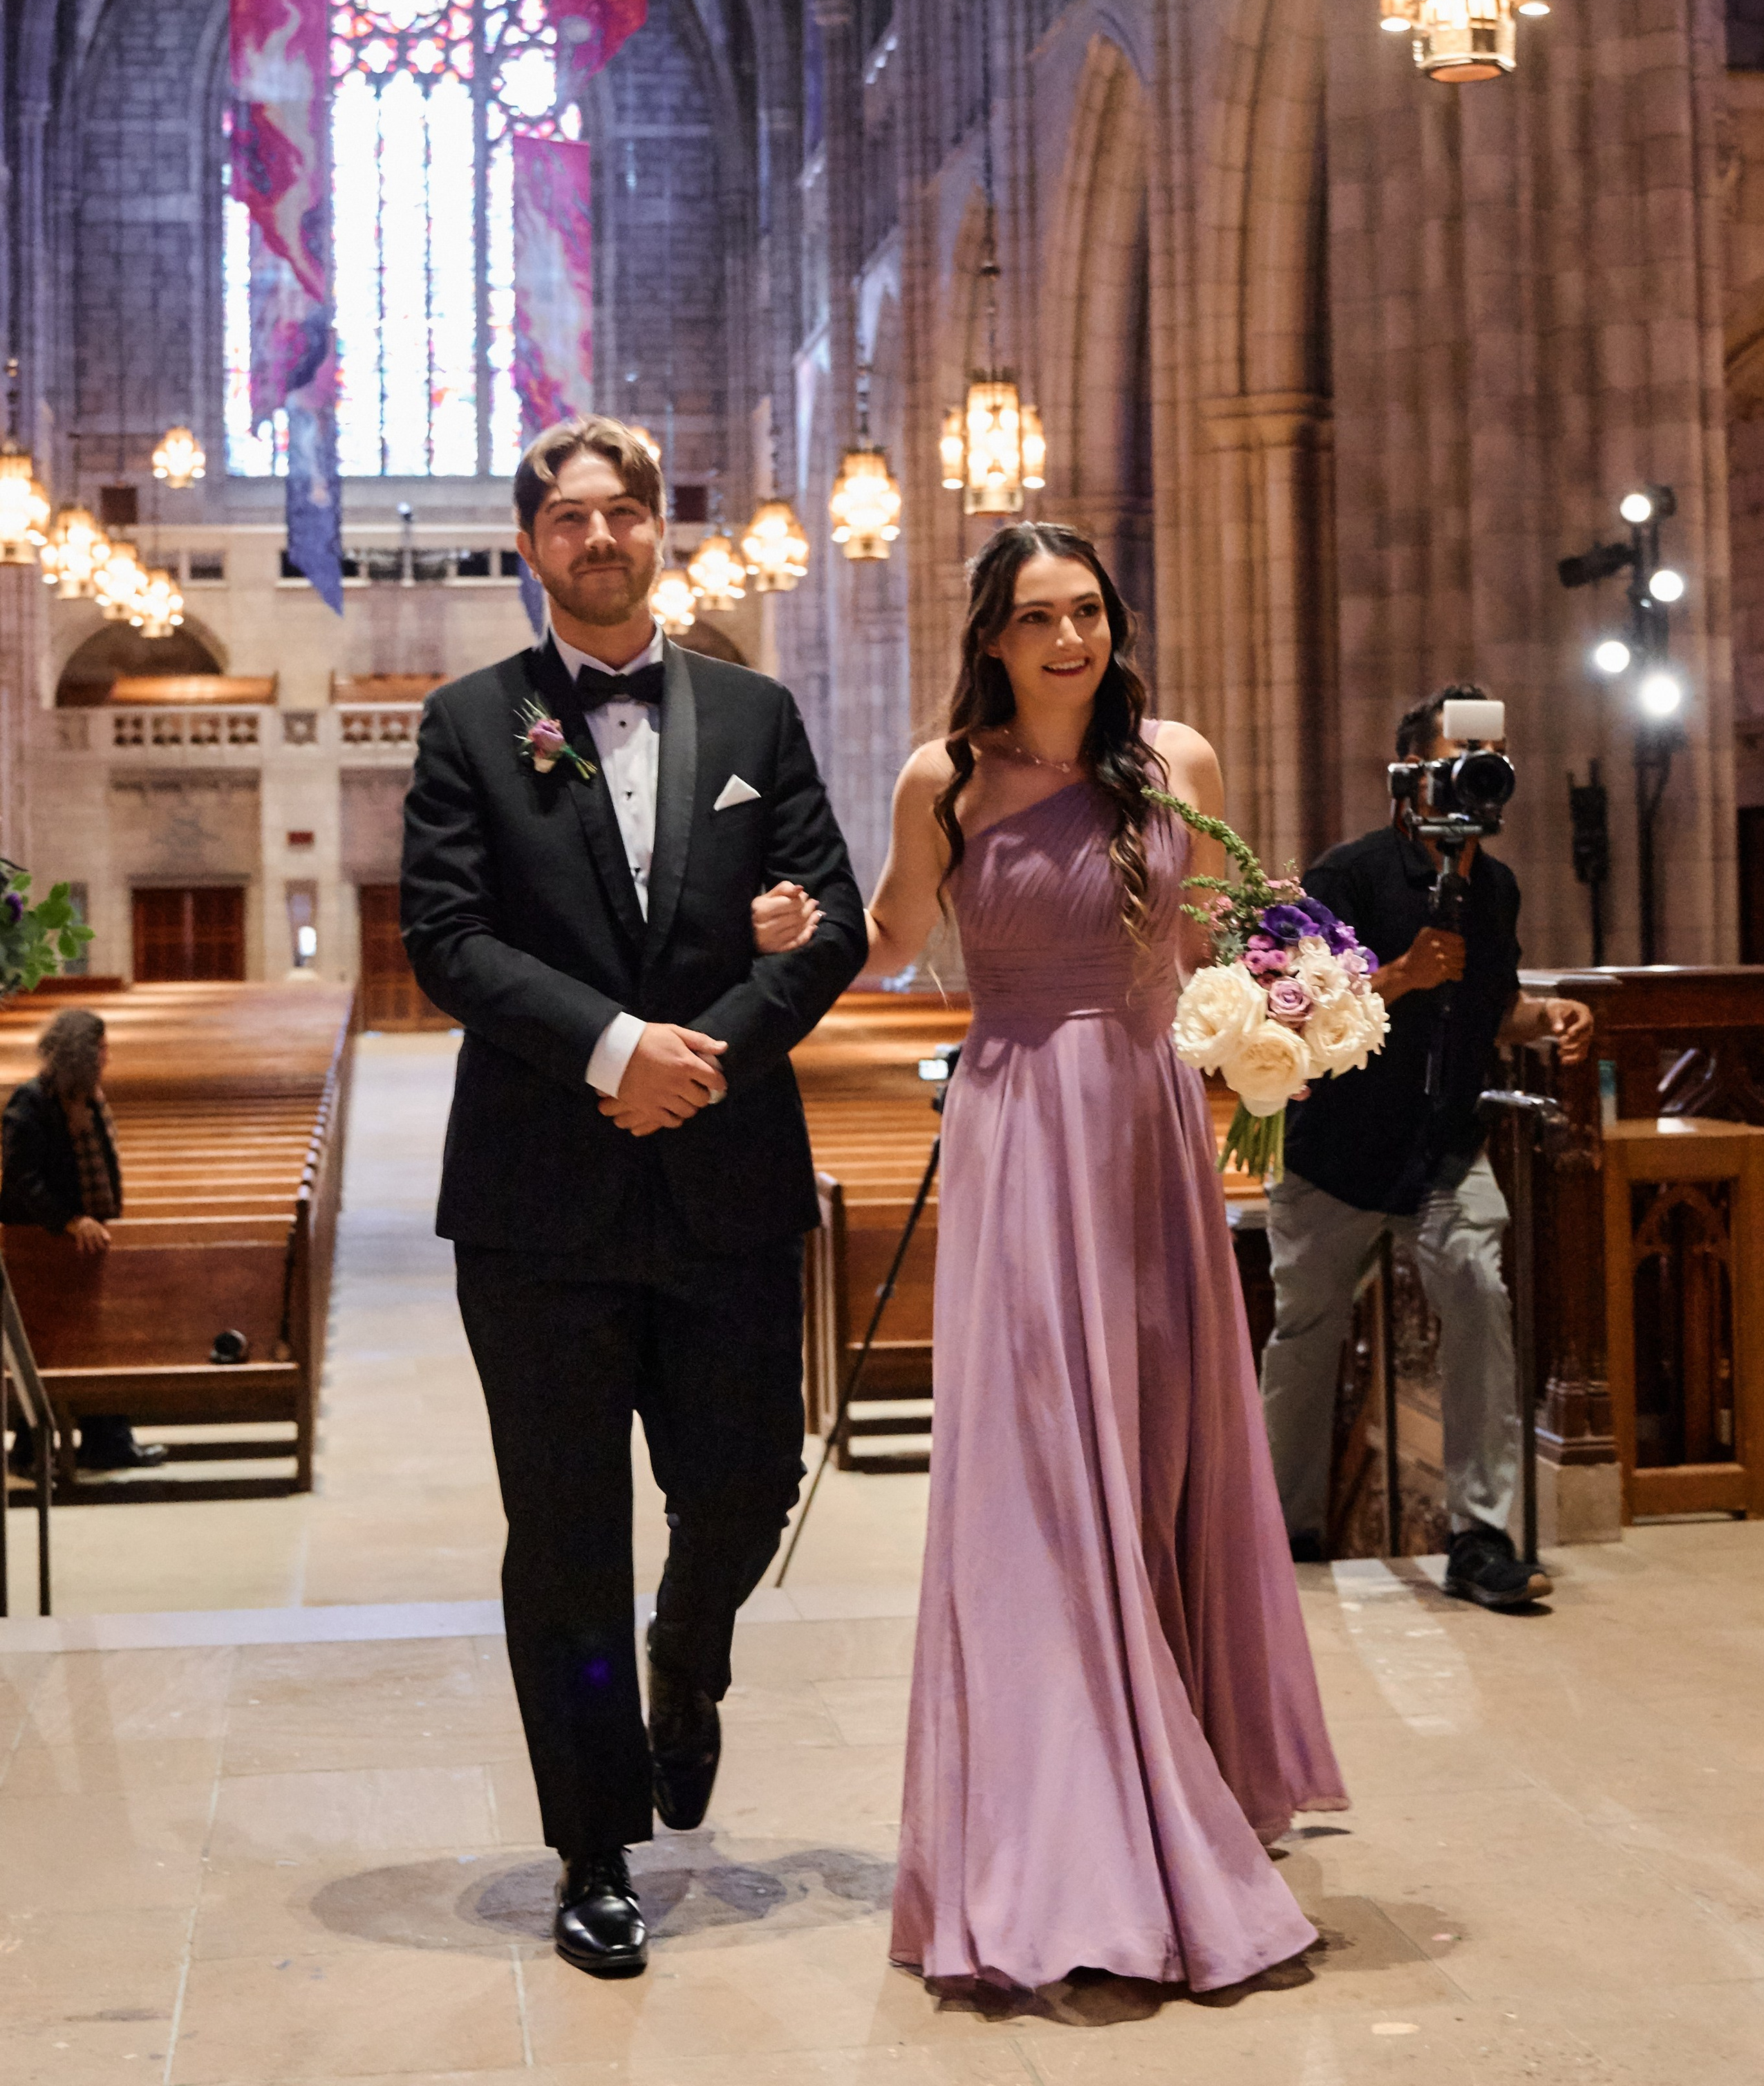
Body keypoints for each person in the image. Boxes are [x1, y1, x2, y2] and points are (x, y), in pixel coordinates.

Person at [792, 521, 1346, 1997]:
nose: (1067, 640)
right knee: (1039, 1463)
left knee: (1163, 1441)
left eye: (1086, 611)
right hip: (1019, 1119)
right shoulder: (944, 780)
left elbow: (1237, 935)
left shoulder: (1179, 760)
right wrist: (793, 921)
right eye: (1035, 617)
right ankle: (1066, 1817)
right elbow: (897, 942)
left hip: (1149, 1125)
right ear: (990, 638)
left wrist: (1307, 993)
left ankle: (1187, 1764)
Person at [400, 415, 865, 1982]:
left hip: (726, 1182)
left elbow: (831, 919)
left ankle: (691, 1644)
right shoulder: (471, 724)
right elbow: (448, 939)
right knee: (569, 1532)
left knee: (741, 1486)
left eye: (624, 512)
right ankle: (592, 1846)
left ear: (659, 529)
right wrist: (608, 1050)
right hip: (539, 1205)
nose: (599, 537)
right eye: (569, 516)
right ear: (529, 541)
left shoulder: (754, 707)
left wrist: (705, 1057)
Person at [1259, 682, 1594, 1610]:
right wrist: (1398, 976)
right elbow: (1293, 1007)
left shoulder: (1498, 888)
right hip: (1338, 1149)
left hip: (1445, 1146)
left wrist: (1545, 1018)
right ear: (1407, 779)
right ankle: (1284, 1530)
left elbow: (1493, 1006)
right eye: (1450, 764)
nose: (1468, 787)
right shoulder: (1349, 876)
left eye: (1482, 768)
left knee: (1479, 1292)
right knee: (1305, 1332)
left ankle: (1479, 1537)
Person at [1, 1006, 167, 1478]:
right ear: (80, 1053)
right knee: (46, 1347)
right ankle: (31, 1451)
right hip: (40, 1244)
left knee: (98, 1340)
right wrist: (71, 1220)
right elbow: (20, 1179)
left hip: (85, 1244)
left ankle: (107, 1441)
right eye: (100, 1049)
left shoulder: (88, 1098)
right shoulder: (30, 1102)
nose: (107, 1056)